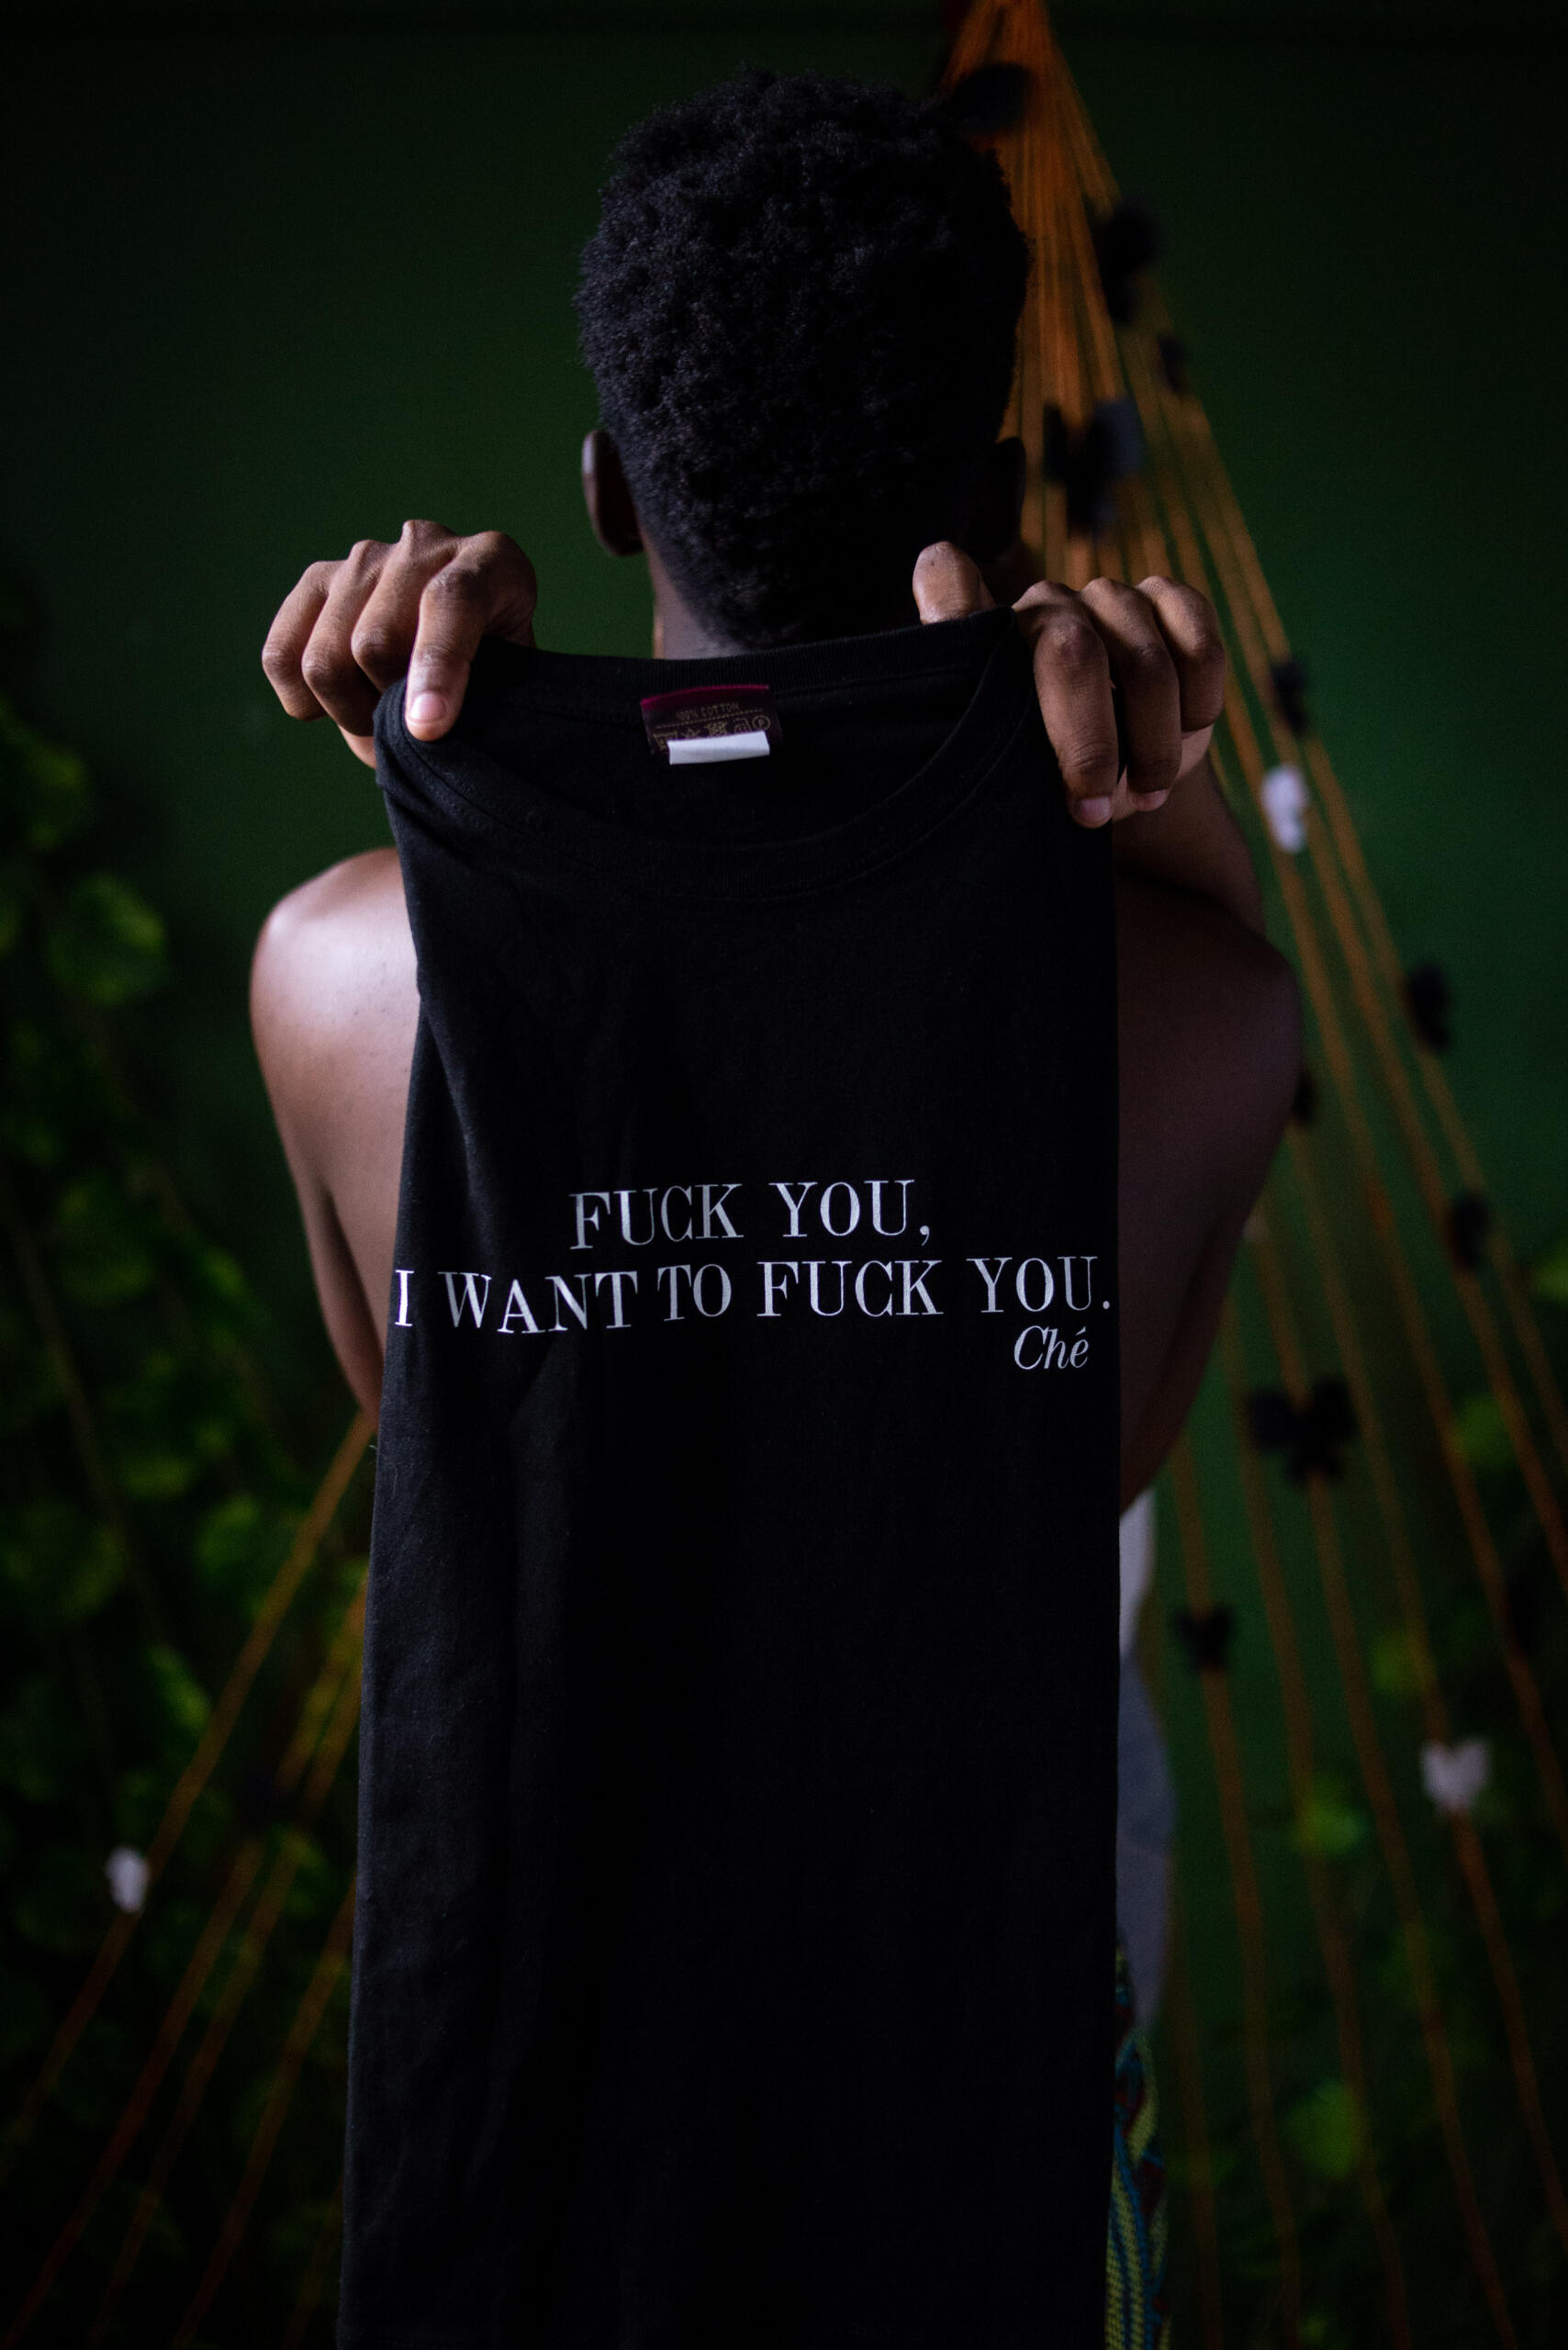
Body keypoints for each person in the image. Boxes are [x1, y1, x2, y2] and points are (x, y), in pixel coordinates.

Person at [253, 71, 1298, 2345]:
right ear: (997, 495)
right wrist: (1117, 757)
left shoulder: (333, 972)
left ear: (609, 486)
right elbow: (1077, 1462)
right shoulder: (1197, 1012)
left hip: (552, 2068)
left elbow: (445, 1440)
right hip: (970, 2076)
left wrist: (464, 801)